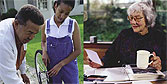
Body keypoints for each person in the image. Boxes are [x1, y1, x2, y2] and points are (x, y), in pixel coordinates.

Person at [88, 1, 166, 71]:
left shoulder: (159, 37)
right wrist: (100, 63)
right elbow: (111, 56)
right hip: (126, 78)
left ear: (148, 19)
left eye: (138, 18)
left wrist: (160, 65)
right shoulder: (124, 35)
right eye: (131, 18)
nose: (133, 22)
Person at [0, 4, 44, 84]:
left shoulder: (20, 30)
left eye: (35, 34)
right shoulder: (3, 41)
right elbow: (11, 80)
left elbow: (22, 52)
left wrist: (23, 73)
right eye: (30, 32)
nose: (32, 37)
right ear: (16, 24)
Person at [41, 0, 81, 83]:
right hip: (52, 67)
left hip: (69, 66)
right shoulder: (47, 24)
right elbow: (43, 41)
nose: (62, 16)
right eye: (61, 11)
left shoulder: (73, 24)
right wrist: (44, 52)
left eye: (66, 13)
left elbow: (78, 51)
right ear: (55, 6)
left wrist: (60, 65)